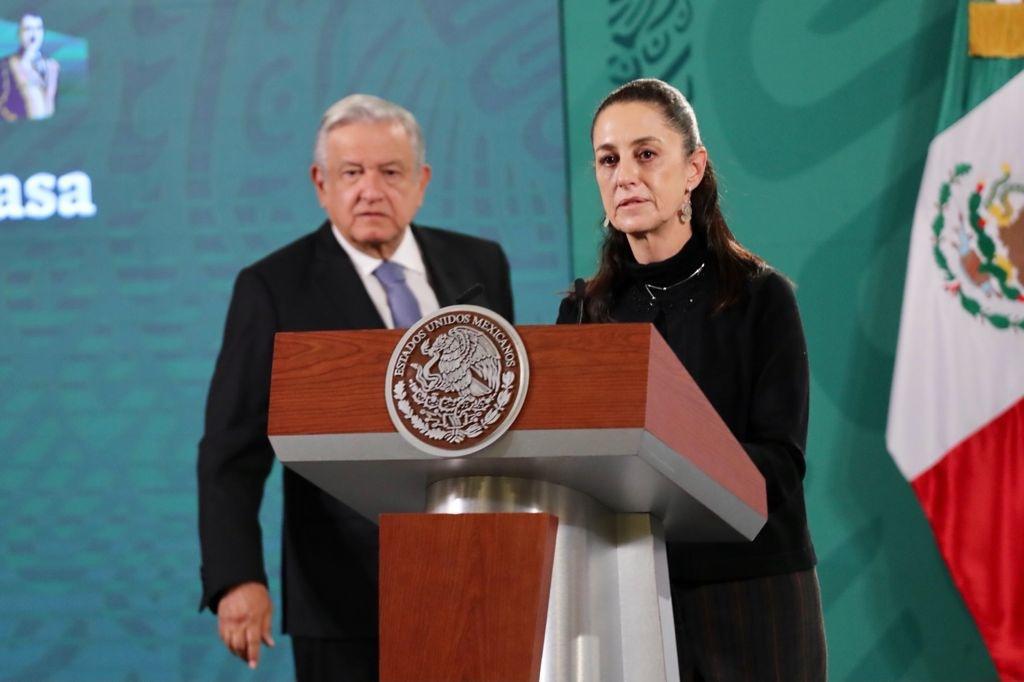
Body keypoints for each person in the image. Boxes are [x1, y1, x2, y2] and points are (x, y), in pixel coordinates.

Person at [197, 94, 514, 681]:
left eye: (390, 172)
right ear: (321, 184)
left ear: (421, 182)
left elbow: (504, 417)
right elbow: (230, 451)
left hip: (477, 578)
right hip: (342, 598)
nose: (371, 190)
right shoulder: (273, 287)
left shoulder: (480, 265)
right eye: (351, 173)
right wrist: (237, 577)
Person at [558, 78, 826, 680]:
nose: (625, 176)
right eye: (608, 160)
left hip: (752, 596)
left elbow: (779, 464)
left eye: (646, 154)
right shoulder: (583, 313)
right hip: (624, 594)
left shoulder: (761, 297)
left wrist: (663, 474)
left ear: (693, 170)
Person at [0, 13, 59, 122]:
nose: (34, 35)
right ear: (18, 33)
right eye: (28, 29)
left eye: (38, 29)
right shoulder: (5, 64)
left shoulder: (52, 65)